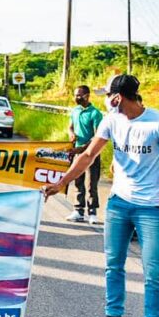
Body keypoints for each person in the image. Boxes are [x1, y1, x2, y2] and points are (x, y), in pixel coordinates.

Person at [43, 74, 159, 317]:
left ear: (118, 97)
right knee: (113, 265)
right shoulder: (111, 121)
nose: (106, 100)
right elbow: (88, 155)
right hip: (118, 204)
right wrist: (62, 183)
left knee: (153, 271)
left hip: (151, 208)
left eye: (109, 95)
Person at [67, 85, 105, 224]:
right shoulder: (75, 111)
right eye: (75, 95)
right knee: (78, 181)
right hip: (77, 152)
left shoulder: (95, 113)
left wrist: (84, 148)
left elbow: (97, 136)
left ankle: (92, 212)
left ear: (87, 96)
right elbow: (70, 127)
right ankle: (78, 210)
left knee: (91, 183)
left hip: (92, 152)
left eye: (79, 95)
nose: (76, 97)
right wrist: (71, 134)